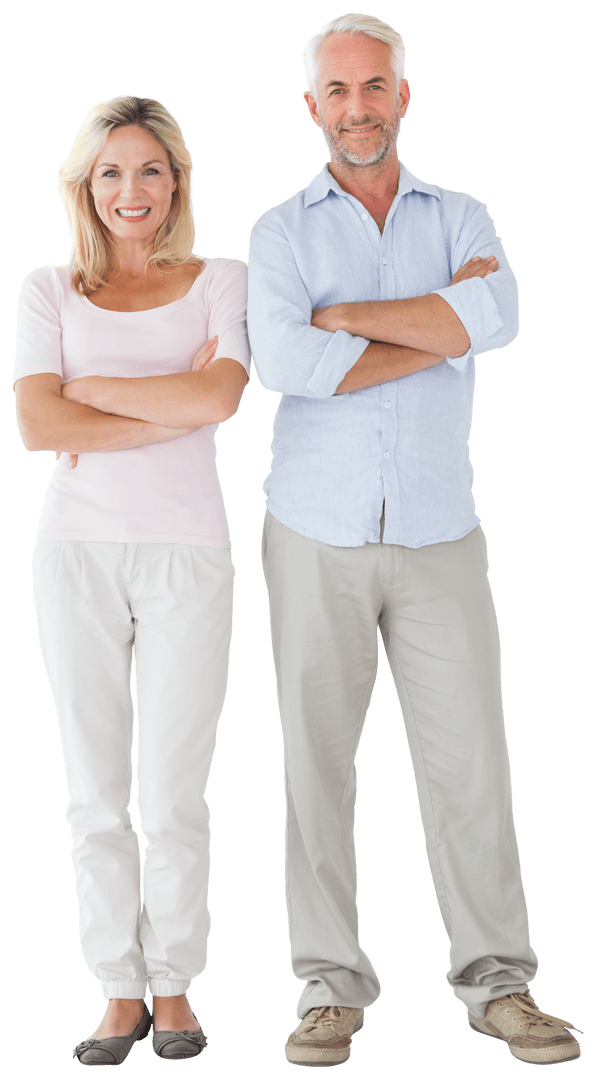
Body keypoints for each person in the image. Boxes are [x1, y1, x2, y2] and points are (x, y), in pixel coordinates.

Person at [248, 13, 582, 1068]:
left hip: (445, 534)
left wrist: (353, 318)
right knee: (318, 767)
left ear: (405, 95)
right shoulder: (280, 233)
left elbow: (507, 312)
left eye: (375, 87)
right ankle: (328, 988)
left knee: (474, 766)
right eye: (338, 91)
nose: (358, 108)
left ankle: (498, 986)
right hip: (315, 535)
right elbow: (289, 367)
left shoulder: (465, 212)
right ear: (314, 107)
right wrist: (437, 328)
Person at [13, 93, 249, 1067]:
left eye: (150, 169)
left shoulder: (219, 279)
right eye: (111, 171)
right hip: (76, 554)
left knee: (176, 794)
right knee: (94, 793)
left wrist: (94, 391)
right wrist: (166, 405)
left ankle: (175, 985)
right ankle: (117, 990)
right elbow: (37, 426)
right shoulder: (48, 290)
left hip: (188, 552)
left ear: (178, 182)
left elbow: (224, 393)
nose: (131, 189)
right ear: (85, 185)